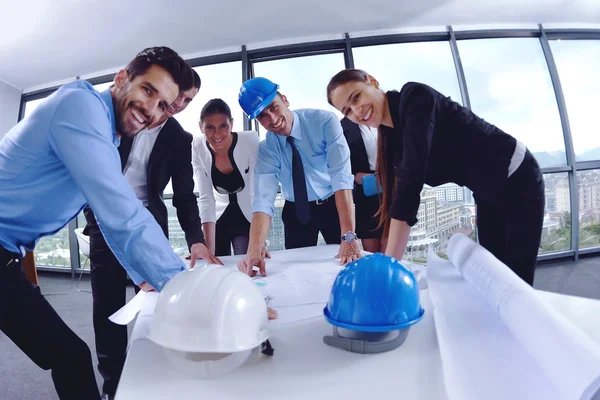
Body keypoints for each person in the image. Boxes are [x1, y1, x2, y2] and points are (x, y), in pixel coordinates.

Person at [0, 46, 194, 400]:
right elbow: (122, 213)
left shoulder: (108, 136)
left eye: (163, 105)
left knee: (69, 355)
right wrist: (189, 290)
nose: (151, 110)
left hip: (7, 256)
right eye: (148, 90)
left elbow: (108, 219)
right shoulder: (81, 106)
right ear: (122, 78)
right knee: (70, 355)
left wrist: (143, 277)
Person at [327, 69, 545, 286]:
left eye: (356, 97)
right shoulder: (391, 137)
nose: (357, 111)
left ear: (372, 81)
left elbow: (410, 185)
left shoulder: (415, 97)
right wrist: (388, 264)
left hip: (517, 176)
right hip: (485, 189)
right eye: (347, 111)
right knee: (493, 270)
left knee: (518, 280)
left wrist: (387, 272)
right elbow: (399, 193)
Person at [83, 65, 221, 399]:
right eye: (177, 96)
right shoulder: (123, 119)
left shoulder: (179, 137)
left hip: (148, 224)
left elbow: (186, 196)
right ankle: (113, 382)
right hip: (105, 218)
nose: (178, 105)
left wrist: (197, 241)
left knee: (156, 300)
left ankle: (160, 376)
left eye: (187, 101)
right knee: (108, 307)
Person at [236, 77, 361, 277]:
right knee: (298, 274)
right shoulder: (267, 149)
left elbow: (341, 178)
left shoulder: (324, 122)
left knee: (349, 263)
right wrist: (254, 248)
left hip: (334, 205)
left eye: (273, 107)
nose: (272, 119)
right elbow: (263, 200)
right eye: (262, 116)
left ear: (285, 100)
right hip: (297, 213)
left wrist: (349, 237)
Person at [192, 99, 259, 257]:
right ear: (201, 127)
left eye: (223, 126)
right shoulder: (197, 146)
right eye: (210, 127)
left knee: (246, 266)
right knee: (216, 267)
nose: (217, 134)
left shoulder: (250, 140)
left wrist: (259, 241)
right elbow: (206, 198)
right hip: (217, 219)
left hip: (247, 218)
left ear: (232, 124)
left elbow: (256, 193)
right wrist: (208, 249)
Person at [340, 117, 384, 253]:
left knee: (392, 255)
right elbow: (340, 166)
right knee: (372, 253)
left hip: (392, 188)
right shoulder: (343, 126)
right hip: (366, 191)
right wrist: (357, 176)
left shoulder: (385, 120)